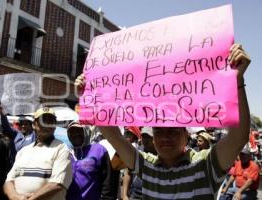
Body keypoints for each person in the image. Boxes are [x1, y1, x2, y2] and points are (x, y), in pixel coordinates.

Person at [75, 44, 251, 199]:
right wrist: (90, 95)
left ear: (186, 135)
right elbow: (114, 137)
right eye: (158, 131)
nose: (165, 137)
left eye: (173, 131)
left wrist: (238, 80)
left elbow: (238, 138)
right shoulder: (146, 165)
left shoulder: (205, 164)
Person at [4, 107, 72, 200]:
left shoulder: (61, 148)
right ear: (34, 125)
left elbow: (57, 184)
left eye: (50, 121)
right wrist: (15, 197)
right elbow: (9, 181)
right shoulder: (24, 151)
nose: (46, 125)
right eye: (43, 121)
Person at [66, 121, 113, 200]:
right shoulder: (66, 153)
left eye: (79, 131)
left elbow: (108, 181)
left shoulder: (99, 150)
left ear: (86, 131)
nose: (75, 134)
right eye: (72, 132)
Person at [122, 127, 157, 200]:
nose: (145, 140)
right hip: (136, 194)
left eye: (148, 137)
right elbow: (128, 173)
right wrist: (124, 195)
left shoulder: (163, 153)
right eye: (144, 136)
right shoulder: (137, 151)